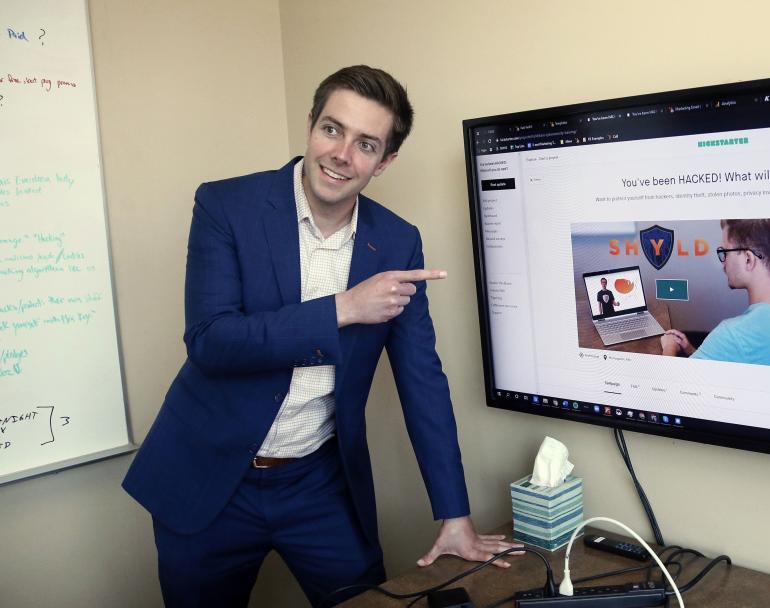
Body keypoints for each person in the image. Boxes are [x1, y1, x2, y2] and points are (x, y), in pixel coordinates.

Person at [122, 65, 520, 607]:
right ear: (311, 124)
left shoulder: (397, 241)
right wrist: (346, 308)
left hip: (318, 482)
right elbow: (212, 340)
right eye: (332, 130)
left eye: (366, 144)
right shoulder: (225, 206)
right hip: (208, 480)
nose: (341, 154)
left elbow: (422, 380)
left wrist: (455, 515)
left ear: (385, 162)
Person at [660, 219, 770, 367]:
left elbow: (674, 378)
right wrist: (693, 351)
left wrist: (669, 347)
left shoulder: (733, 335)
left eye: (725, 252)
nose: (723, 262)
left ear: (748, 259)